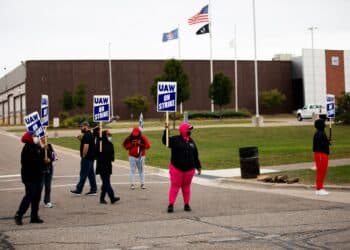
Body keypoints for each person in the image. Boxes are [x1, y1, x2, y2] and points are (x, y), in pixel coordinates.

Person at [162, 122, 202, 213]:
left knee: (186, 187)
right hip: (177, 168)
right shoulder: (175, 140)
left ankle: (186, 204)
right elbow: (165, 141)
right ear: (183, 130)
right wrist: (166, 130)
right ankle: (171, 204)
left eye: (190, 130)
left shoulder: (191, 141)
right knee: (175, 187)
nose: (189, 131)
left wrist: (198, 166)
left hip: (189, 169)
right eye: (188, 129)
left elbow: (195, 155)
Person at [14, 131, 46, 225]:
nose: (36, 137)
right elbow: (29, 162)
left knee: (37, 197)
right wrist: (41, 160)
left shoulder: (36, 146)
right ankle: (19, 215)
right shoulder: (27, 148)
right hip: (29, 177)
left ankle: (34, 216)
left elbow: (40, 158)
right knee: (29, 195)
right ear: (29, 137)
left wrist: (44, 155)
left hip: (37, 176)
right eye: (34, 136)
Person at [70, 121, 97, 195]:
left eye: (81, 127)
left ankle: (79, 189)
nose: (81, 128)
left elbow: (86, 146)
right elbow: (86, 143)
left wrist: (83, 156)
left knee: (83, 174)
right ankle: (93, 189)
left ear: (86, 126)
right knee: (90, 174)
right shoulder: (89, 134)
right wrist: (80, 139)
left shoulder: (87, 135)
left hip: (87, 158)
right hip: (91, 158)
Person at [96, 130, 120, 204]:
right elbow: (96, 154)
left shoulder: (110, 144)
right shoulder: (99, 144)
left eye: (110, 135)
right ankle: (112, 197)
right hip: (101, 165)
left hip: (108, 165)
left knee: (105, 183)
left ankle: (102, 198)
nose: (110, 136)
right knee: (106, 182)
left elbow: (112, 156)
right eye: (108, 135)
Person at [313, 119, 331, 195]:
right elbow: (320, 145)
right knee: (320, 171)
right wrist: (327, 142)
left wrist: (328, 142)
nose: (325, 124)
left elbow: (324, 143)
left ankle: (320, 188)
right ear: (320, 125)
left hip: (323, 154)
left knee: (323, 171)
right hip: (320, 154)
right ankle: (319, 189)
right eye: (323, 123)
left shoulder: (321, 133)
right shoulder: (319, 133)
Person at [41, 139, 58, 208]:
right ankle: (33, 201)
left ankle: (47, 201)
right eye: (43, 136)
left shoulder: (49, 145)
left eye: (46, 136)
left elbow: (54, 156)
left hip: (49, 169)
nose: (45, 138)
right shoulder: (36, 146)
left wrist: (49, 159)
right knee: (38, 187)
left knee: (48, 186)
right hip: (40, 169)